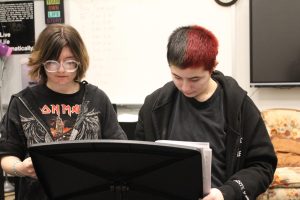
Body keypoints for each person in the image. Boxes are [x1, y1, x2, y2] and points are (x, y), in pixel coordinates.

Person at [134, 25, 277, 200]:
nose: (185, 87)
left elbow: (263, 165)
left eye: (195, 79)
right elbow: (139, 165)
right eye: (177, 77)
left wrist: (226, 193)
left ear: (213, 67)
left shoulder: (238, 106)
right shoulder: (154, 107)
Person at [0, 24, 127, 200]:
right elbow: (6, 155)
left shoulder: (97, 99)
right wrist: (19, 168)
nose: (61, 69)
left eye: (69, 62)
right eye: (53, 62)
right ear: (42, 61)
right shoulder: (22, 102)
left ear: (79, 61)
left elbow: (119, 152)